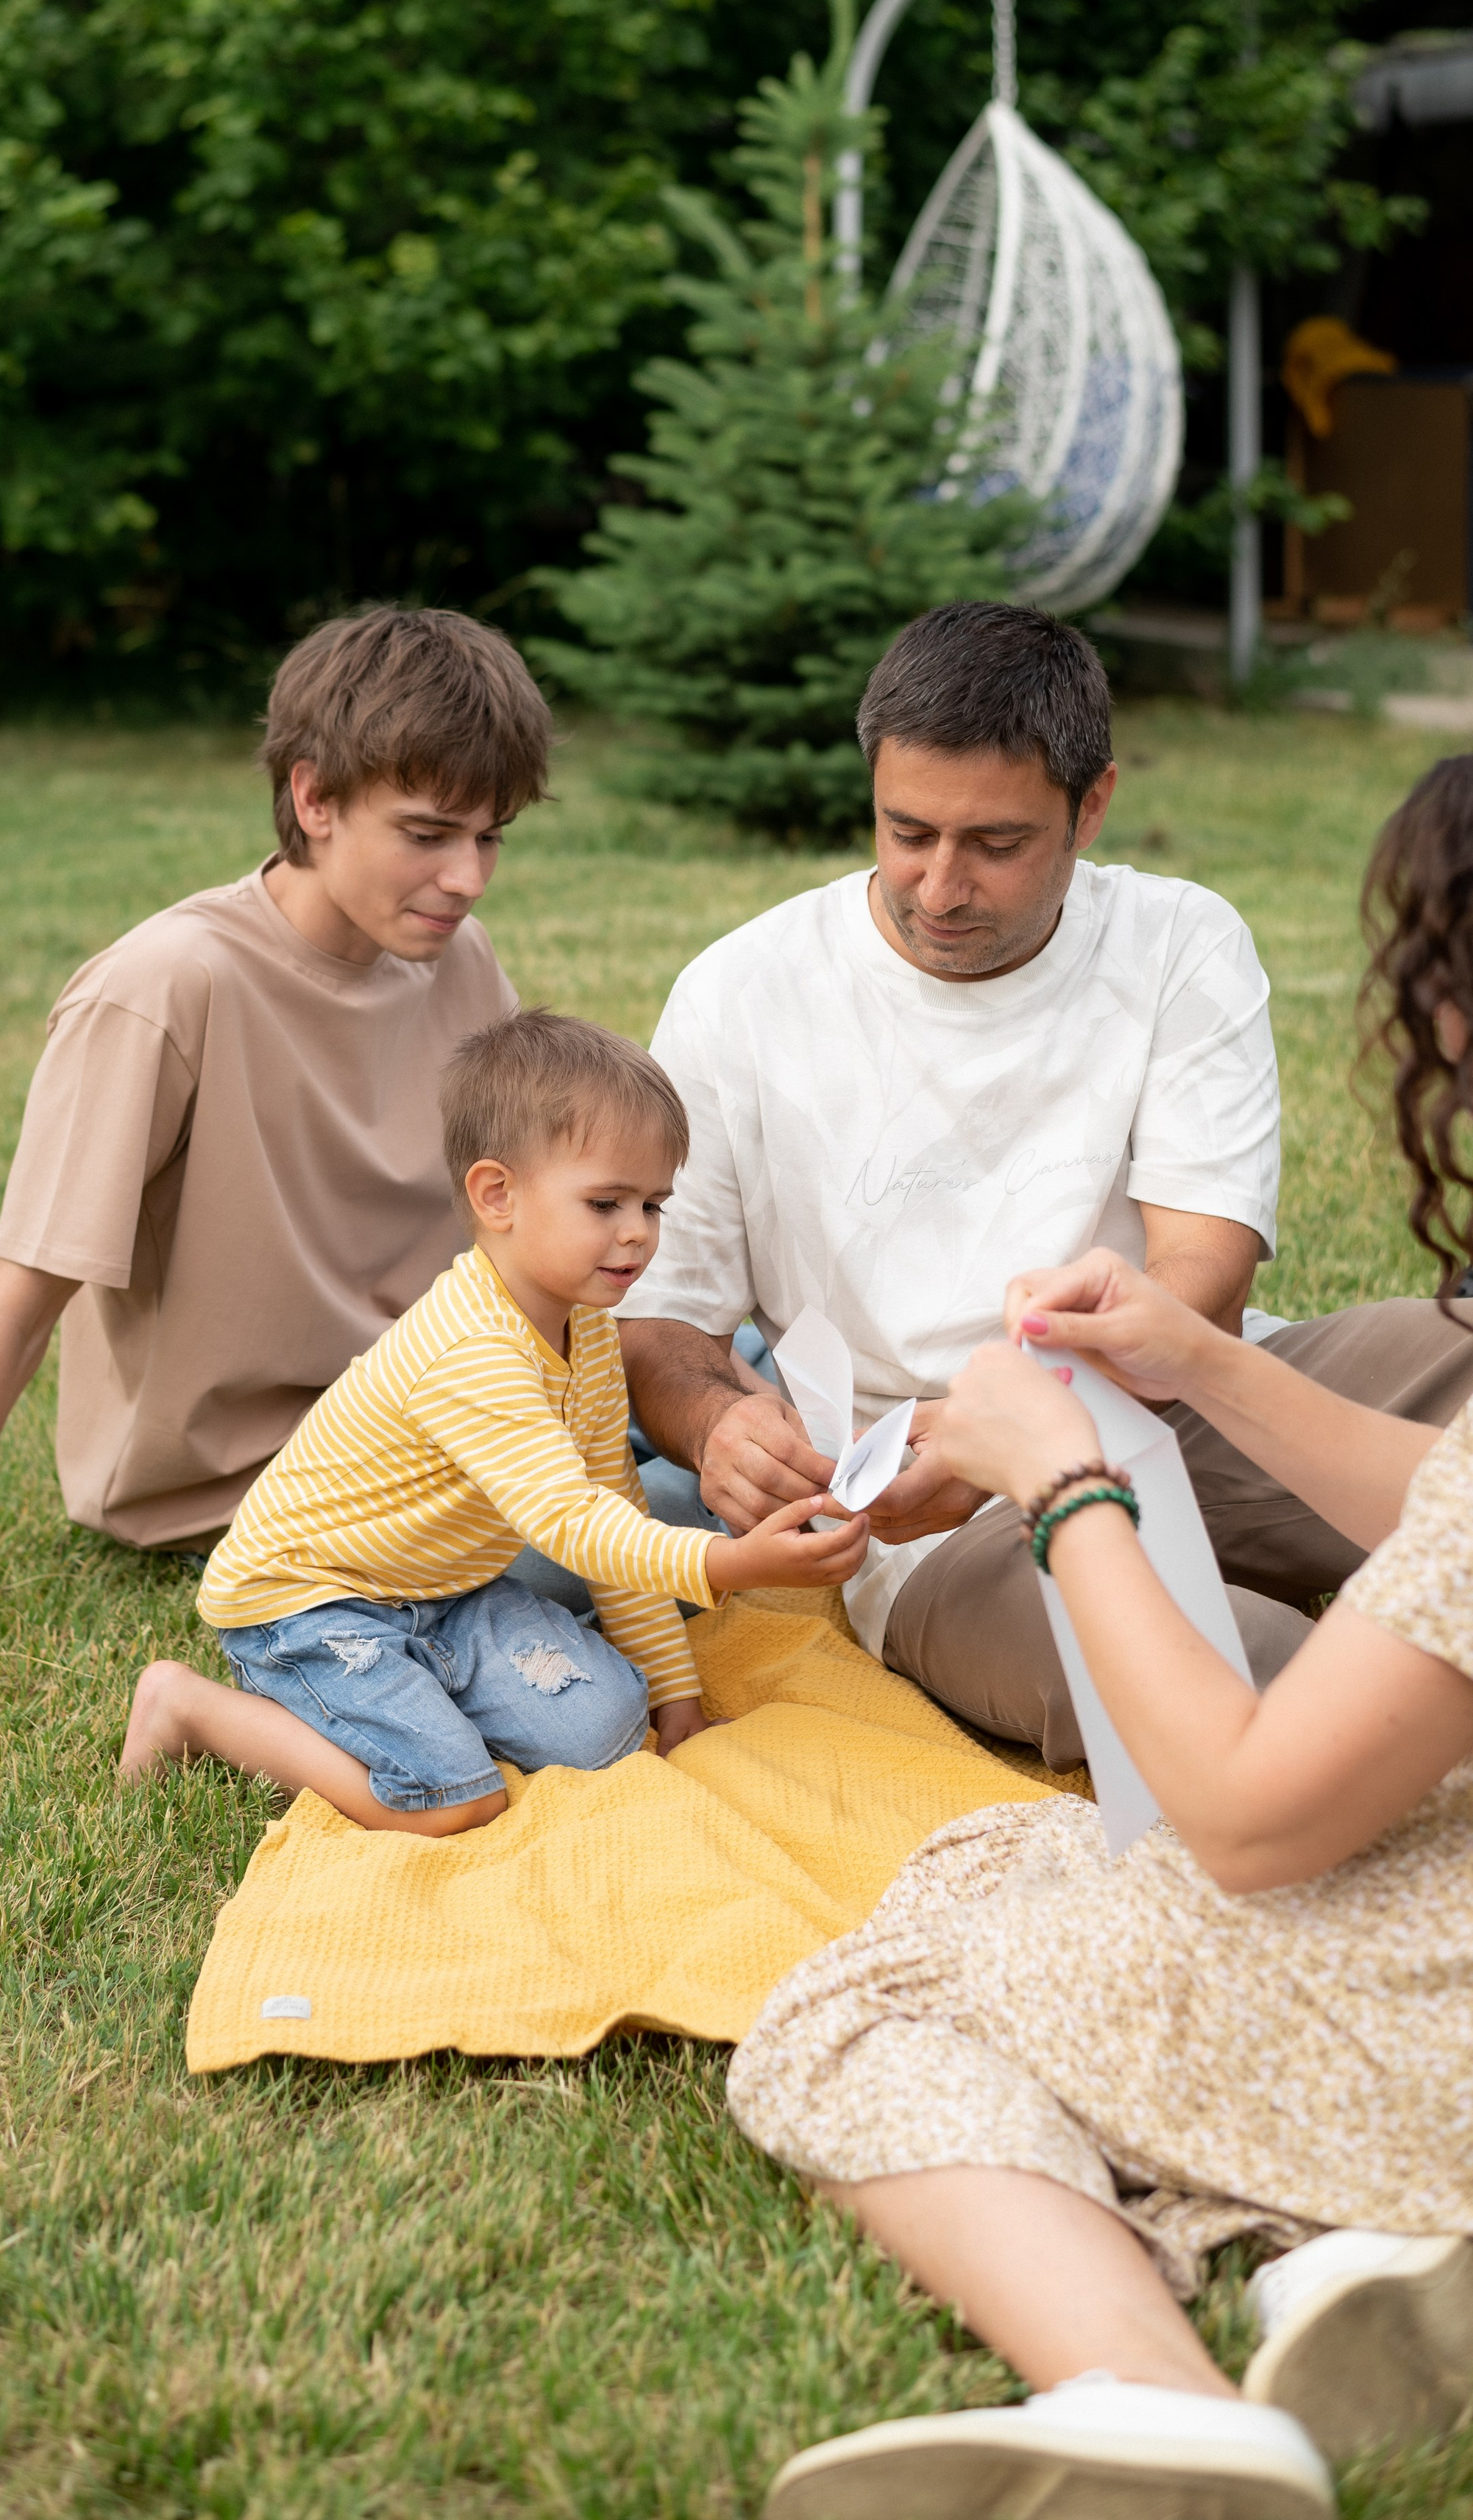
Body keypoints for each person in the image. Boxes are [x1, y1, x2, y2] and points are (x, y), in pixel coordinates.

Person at [725, 753, 1473, 2520]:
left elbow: (1244, 1810)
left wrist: (1059, 1479)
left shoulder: (1169, 942)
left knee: (876, 1980)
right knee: (1025, 1852)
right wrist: (1196, 1356)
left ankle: (1155, 2388)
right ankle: (1334, 2236)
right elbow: (1451, 1506)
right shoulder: (753, 988)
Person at [618, 600, 1473, 1766]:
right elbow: (661, 1320)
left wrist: (1035, 1400)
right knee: (1262, 1702)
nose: (939, 885)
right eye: (906, 830)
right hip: (922, 1514)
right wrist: (718, 1420)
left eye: (997, 844)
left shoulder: (1179, 940)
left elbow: (1203, 1279)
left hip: (1184, 1398)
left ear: (1094, 804)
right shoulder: (739, 994)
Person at [0, 607, 550, 1688]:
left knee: (735, 1426)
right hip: (261, 1488)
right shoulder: (163, 988)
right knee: (660, 1543)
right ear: (314, 796)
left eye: (491, 837)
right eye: (428, 834)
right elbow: (10, 1314)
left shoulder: (459, 960)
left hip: (436, 1426)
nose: (468, 878)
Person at [119, 1011, 865, 1830]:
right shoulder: (473, 1349)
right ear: (497, 1195)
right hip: (309, 1601)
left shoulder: (585, 1332)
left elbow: (614, 1512)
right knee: (449, 1799)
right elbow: (573, 1527)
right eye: (606, 1201)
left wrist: (677, 1701)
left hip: (446, 1591)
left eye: (653, 1204)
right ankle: (188, 1706)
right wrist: (732, 1562)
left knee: (610, 1729)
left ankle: (416, 1684)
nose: (637, 1234)